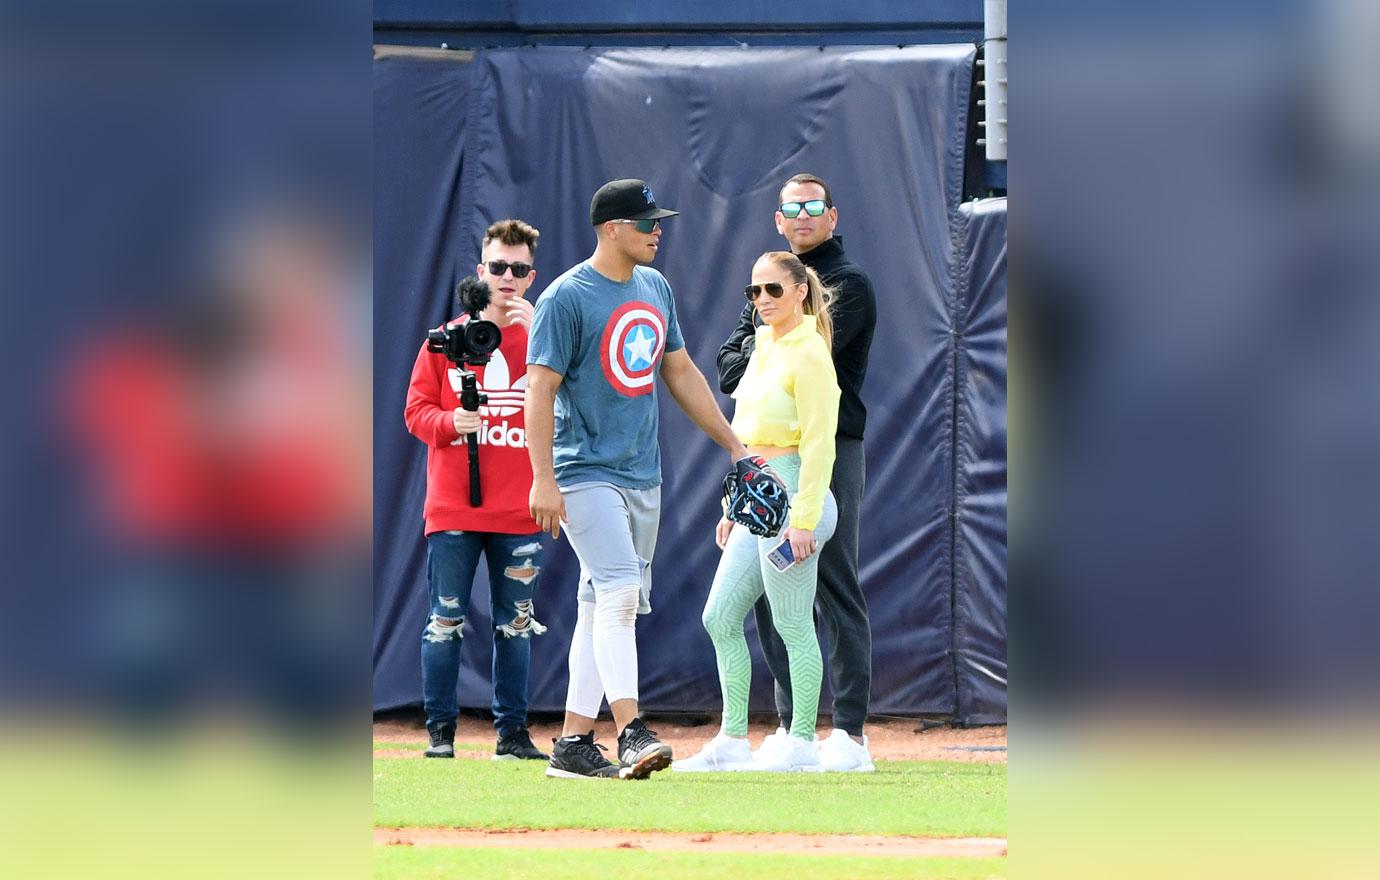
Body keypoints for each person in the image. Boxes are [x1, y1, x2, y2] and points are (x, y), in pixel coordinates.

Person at [526, 178, 749, 780]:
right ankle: (631, 729)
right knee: (620, 591)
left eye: (658, 221)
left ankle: (572, 745)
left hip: (641, 473)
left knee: (600, 603)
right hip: (583, 469)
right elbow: (539, 389)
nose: (658, 230)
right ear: (611, 229)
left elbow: (679, 371)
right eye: (647, 222)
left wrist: (733, 445)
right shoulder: (565, 298)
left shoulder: (655, 287)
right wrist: (542, 478)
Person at [716, 173, 878, 772]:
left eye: (814, 206)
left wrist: (762, 345)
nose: (803, 215)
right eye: (792, 208)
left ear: (832, 216)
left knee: (833, 582)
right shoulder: (767, 287)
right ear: (778, 219)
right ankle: (791, 727)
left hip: (828, 449)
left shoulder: (849, 285)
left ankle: (852, 736)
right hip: (767, 459)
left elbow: (801, 374)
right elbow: (732, 369)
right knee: (765, 595)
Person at [677, 252, 840, 772]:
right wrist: (733, 505)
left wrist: (805, 520)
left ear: (799, 291)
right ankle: (730, 740)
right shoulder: (762, 344)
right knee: (719, 616)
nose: (762, 300)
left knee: (793, 624)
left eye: (772, 290)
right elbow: (745, 437)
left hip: (794, 500)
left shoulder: (810, 352)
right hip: (758, 499)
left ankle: (802, 743)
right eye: (754, 292)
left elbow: (819, 445)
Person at [404, 219, 550, 762]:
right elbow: (414, 410)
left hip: (520, 509)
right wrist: (449, 424)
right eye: (497, 267)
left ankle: (511, 736)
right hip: (454, 508)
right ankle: (440, 735)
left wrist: (542, 334)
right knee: (445, 620)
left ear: (531, 277)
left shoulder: (545, 336)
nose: (506, 278)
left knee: (516, 626)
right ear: (480, 271)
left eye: (517, 269)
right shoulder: (446, 337)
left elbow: (570, 403)